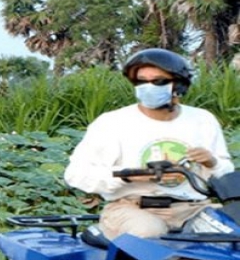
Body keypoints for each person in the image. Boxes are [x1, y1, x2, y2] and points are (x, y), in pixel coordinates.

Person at [64, 48, 235, 240]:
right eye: (141, 81)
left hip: (193, 208)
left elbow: (226, 177)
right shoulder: (112, 123)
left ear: (179, 85)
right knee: (149, 233)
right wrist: (128, 176)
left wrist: (212, 162)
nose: (148, 87)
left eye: (158, 81)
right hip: (132, 208)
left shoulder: (203, 120)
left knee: (232, 230)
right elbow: (76, 174)